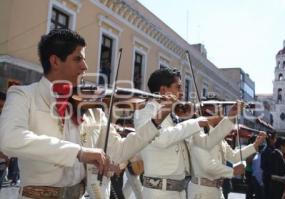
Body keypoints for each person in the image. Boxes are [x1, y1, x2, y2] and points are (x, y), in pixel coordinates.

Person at [0, 29, 174, 199]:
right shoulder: (23, 95)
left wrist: (157, 120)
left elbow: (119, 150)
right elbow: (9, 138)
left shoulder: (91, 108)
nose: (85, 66)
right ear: (55, 61)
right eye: (78, 59)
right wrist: (79, 152)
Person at [134, 68, 241, 199]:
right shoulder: (146, 111)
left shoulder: (175, 116)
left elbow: (205, 143)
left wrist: (229, 119)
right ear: (163, 90)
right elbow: (162, 139)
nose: (182, 93)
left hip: (179, 192)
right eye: (178, 87)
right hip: (158, 193)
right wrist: (195, 122)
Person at [188, 129, 266, 199]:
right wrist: (232, 171)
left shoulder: (220, 139)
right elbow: (208, 166)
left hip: (217, 190)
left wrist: (255, 144)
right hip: (202, 191)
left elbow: (234, 156)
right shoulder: (199, 135)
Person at [261, 132, 277, 199]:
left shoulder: (266, 149)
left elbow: (262, 166)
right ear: (271, 139)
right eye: (275, 138)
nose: (276, 140)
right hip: (270, 178)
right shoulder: (270, 151)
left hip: (267, 177)